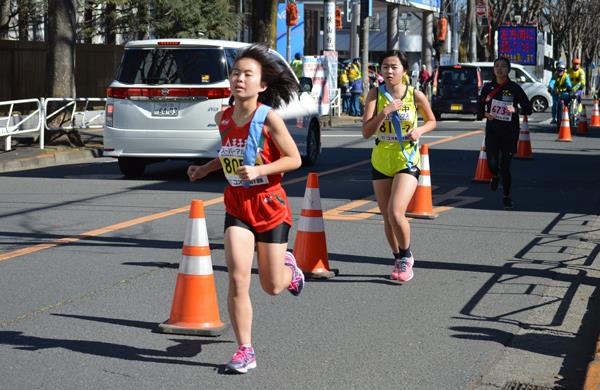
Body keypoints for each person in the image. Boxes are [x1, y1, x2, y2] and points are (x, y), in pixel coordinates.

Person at [187, 44, 305, 374]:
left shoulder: (269, 118)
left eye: (247, 74)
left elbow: (293, 159)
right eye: (235, 73)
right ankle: (245, 349)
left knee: (272, 286)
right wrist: (204, 169)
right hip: (237, 205)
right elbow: (229, 153)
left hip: (269, 206)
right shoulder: (223, 117)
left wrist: (260, 170)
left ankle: (289, 269)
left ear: (262, 85)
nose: (239, 79)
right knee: (238, 279)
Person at [361, 50, 436, 283]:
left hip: (407, 159)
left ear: (404, 70)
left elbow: (432, 120)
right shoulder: (375, 94)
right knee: (386, 217)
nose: (389, 71)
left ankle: (406, 256)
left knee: (396, 212)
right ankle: (396, 257)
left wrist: (419, 131)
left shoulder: (415, 95)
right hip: (381, 159)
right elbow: (365, 132)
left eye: (394, 67)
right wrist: (385, 112)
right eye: (385, 67)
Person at [477, 57, 533, 210]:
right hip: (493, 130)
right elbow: (480, 105)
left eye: (503, 66)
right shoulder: (488, 88)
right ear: (494, 69)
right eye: (497, 66)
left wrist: (517, 110)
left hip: (510, 132)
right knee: (492, 163)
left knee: (506, 166)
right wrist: (485, 114)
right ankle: (495, 175)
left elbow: (528, 107)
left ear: (508, 70)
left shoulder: (514, 88)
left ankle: (506, 197)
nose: (499, 69)